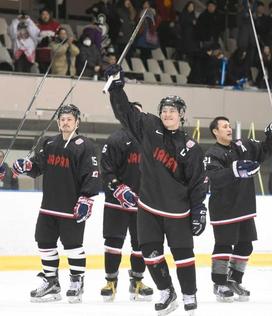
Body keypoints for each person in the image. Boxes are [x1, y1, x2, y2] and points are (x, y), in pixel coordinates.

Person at [105, 64, 208, 315]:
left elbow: (198, 182)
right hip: (148, 207)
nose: (167, 113)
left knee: (183, 255)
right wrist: (116, 86)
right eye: (164, 109)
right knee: (150, 253)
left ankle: (189, 293)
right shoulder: (149, 128)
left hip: (178, 212)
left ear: (181, 114)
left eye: (172, 110)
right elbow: (126, 113)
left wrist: (198, 210)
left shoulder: (191, 147)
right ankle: (166, 291)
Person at [11, 104, 101, 303]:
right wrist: (26, 166)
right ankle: (51, 282)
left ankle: (77, 281)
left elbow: (92, 173)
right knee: (44, 242)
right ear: (58, 122)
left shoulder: (85, 145)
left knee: (72, 245)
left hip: (72, 208)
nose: (65, 122)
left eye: (69, 119)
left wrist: (86, 197)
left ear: (77, 122)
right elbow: (37, 167)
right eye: (62, 119)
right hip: (49, 206)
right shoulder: (49, 143)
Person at [205, 116, 272, 302]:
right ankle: (219, 283)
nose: (229, 129)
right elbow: (214, 177)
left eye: (229, 125)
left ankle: (233, 280)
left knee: (245, 245)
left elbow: (264, 150)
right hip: (224, 208)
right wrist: (236, 170)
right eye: (224, 126)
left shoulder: (242, 145)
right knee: (224, 246)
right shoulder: (213, 153)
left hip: (244, 206)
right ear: (215, 132)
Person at [99, 105, 154, 302]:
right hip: (117, 203)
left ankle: (137, 281)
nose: (135, 117)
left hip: (144, 203)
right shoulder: (116, 140)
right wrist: (117, 188)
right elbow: (106, 170)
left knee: (141, 244)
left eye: (139, 113)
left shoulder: (151, 140)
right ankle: (111, 281)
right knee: (113, 243)